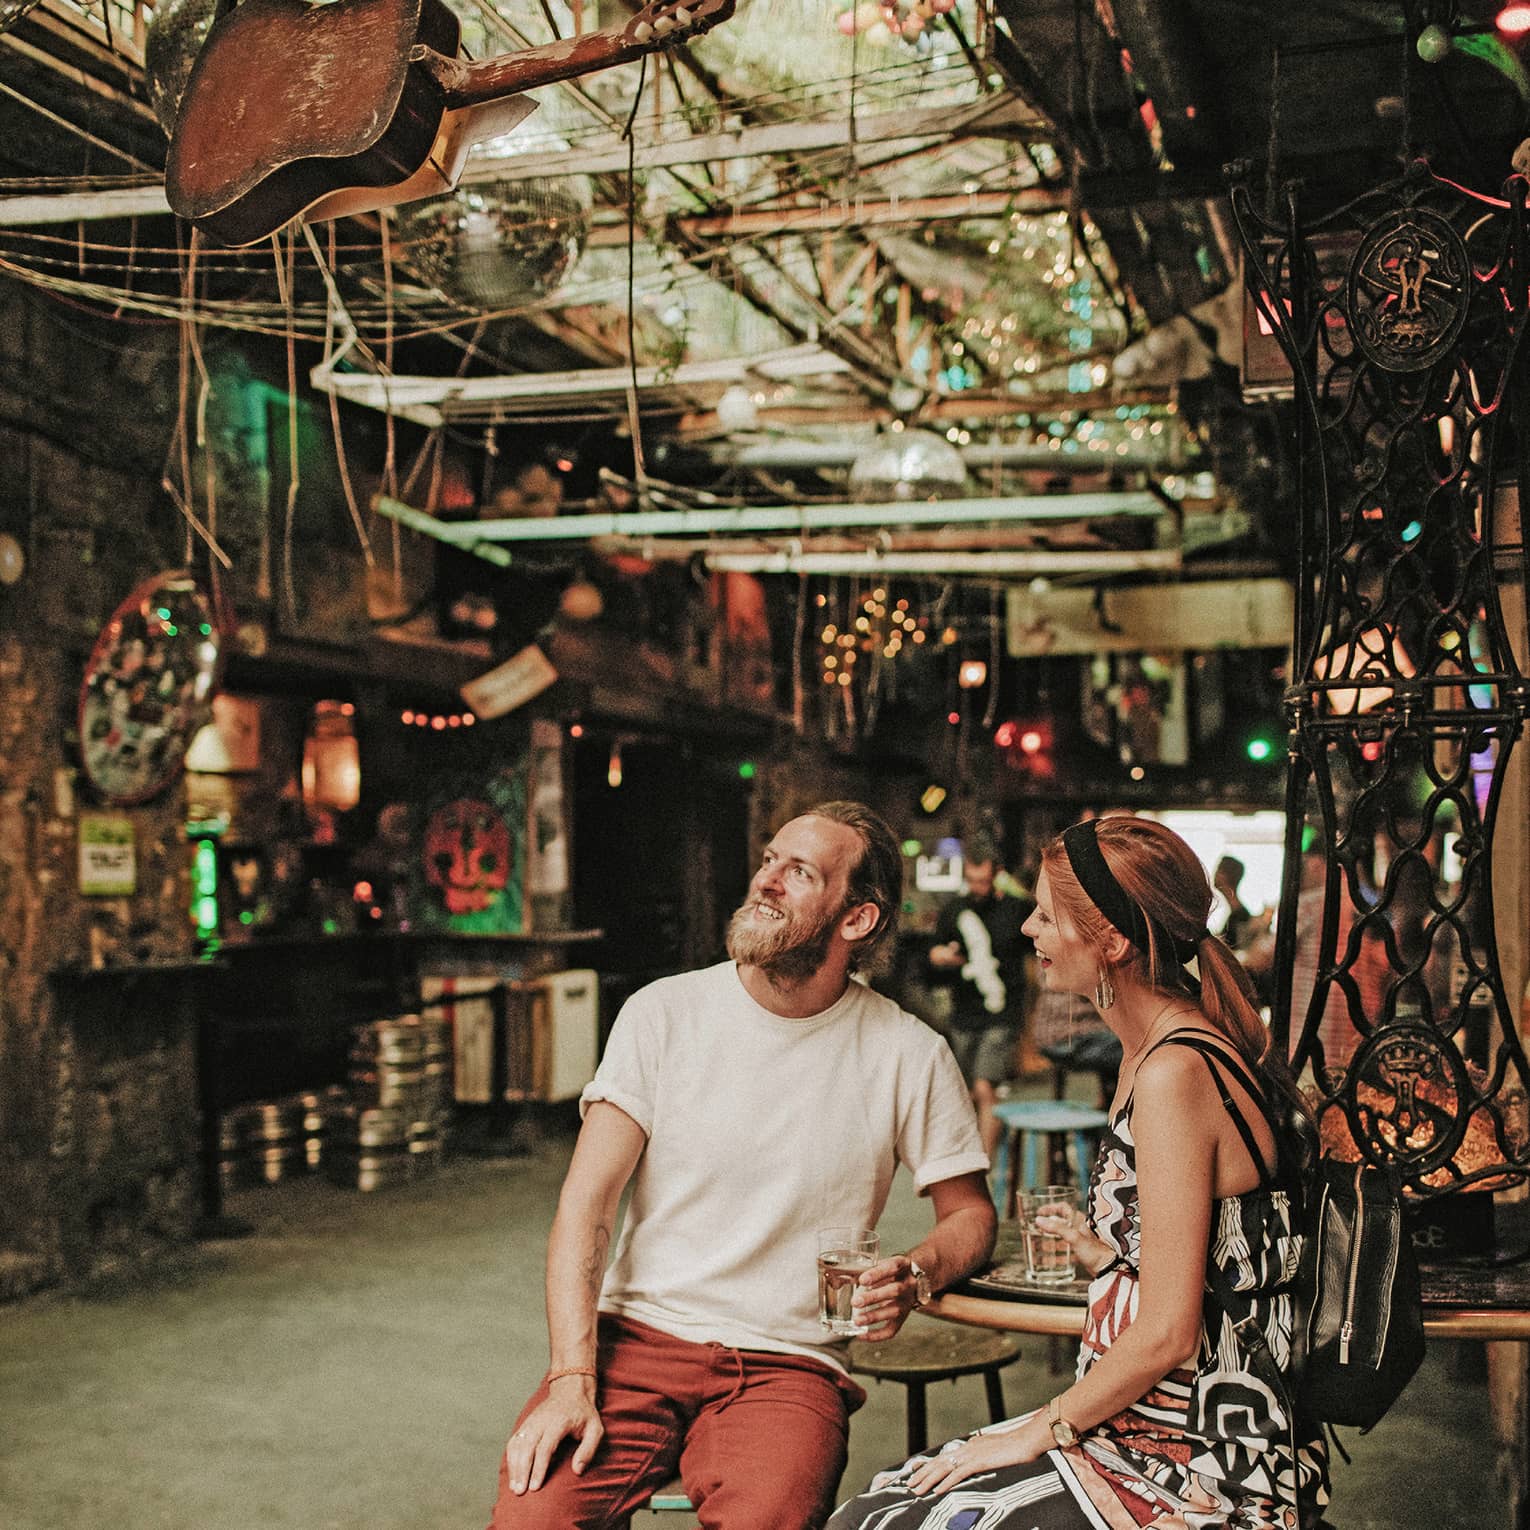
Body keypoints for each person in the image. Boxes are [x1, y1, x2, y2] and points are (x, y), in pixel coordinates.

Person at [488, 800, 997, 1530]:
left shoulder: (907, 1052)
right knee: (531, 1517)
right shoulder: (664, 1013)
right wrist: (572, 1376)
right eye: (768, 862)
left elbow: (972, 1214)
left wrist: (916, 1273)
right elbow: (588, 1204)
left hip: (789, 1362)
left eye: (799, 872)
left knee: (770, 1519)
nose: (766, 882)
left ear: (856, 920)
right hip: (635, 1339)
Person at [829, 815, 1330, 1530]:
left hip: (1200, 1461)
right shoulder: (1159, 1047)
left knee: (880, 1522)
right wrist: (1104, 1251)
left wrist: (1037, 1430)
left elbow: (1169, 1335)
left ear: (1114, 943)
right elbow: (1213, 1254)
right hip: (1144, 1427)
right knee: (887, 1498)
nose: (1028, 929)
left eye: (1045, 914)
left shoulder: (1173, 1073)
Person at [928, 843, 1034, 1158]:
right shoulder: (955, 910)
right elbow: (932, 952)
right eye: (972, 881)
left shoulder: (1016, 909)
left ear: (997, 877)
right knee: (966, 1091)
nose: (978, 888)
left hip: (1003, 1011)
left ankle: (983, 1164)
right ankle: (970, 1152)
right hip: (964, 1010)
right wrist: (943, 956)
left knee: (986, 1086)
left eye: (984, 882)